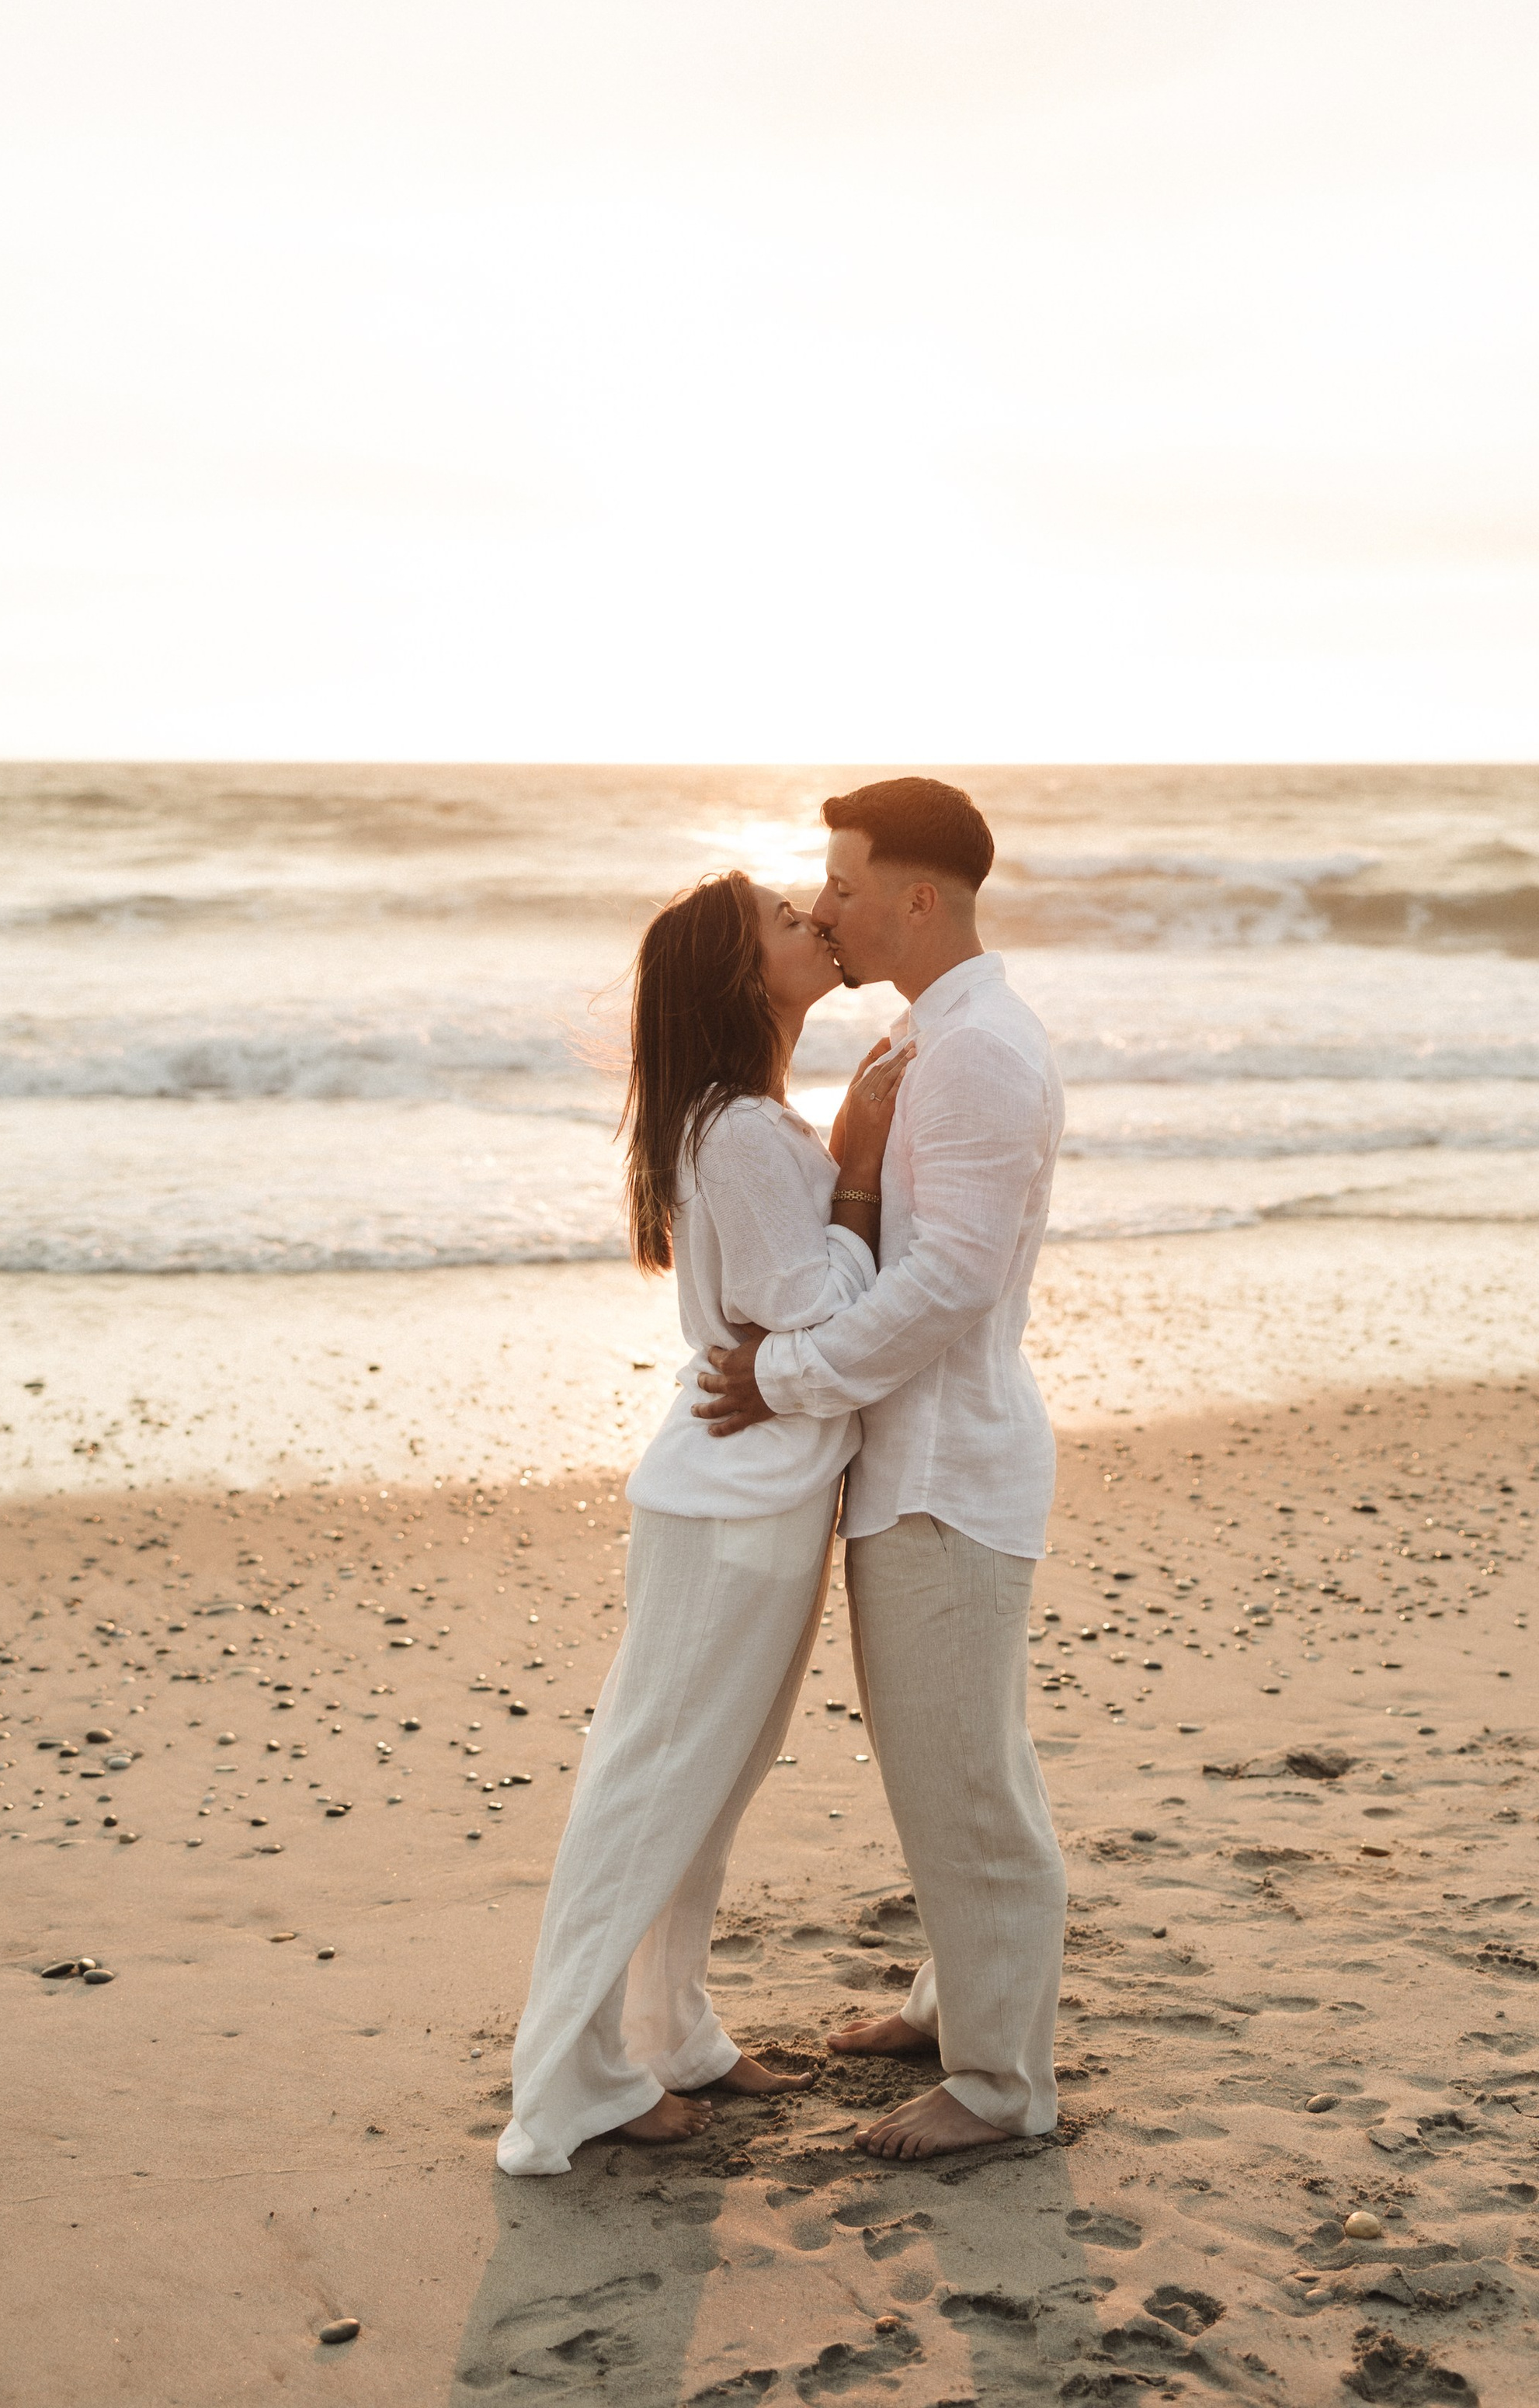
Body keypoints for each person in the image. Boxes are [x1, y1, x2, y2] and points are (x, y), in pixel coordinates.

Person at [496, 870, 909, 2175]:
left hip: (752, 1494)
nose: (815, 925)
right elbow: (806, 1310)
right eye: (788, 922)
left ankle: (670, 2035)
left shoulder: (744, 1121)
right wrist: (854, 1179)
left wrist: (833, 1165)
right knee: (652, 1789)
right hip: (730, 1503)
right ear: (745, 978)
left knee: (705, 1790)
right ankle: (565, 2086)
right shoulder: (746, 1132)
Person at [697, 776, 1067, 2161]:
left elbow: (953, 1277)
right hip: (916, 1462)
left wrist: (784, 1378)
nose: (826, 906)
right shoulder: (937, 1033)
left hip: (949, 1472)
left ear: (918, 898)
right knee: (945, 1763)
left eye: (842, 884)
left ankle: (999, 2089)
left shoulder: (975, 1054)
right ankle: (948, 1999)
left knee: (968, 1785)